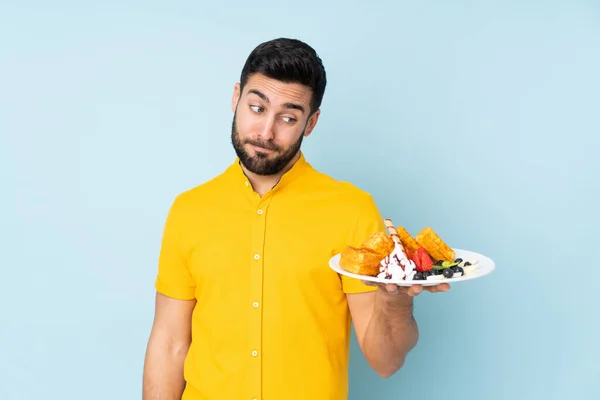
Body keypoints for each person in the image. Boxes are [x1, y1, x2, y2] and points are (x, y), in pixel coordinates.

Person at [142, 37, 450, 400]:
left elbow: (386, 361)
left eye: (288, 117)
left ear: (311, 123)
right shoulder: (189, 210)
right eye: (256, 108)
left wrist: (396, 301)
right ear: (235, 98)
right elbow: (170, 344)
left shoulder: (351, 209)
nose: (266, 132)